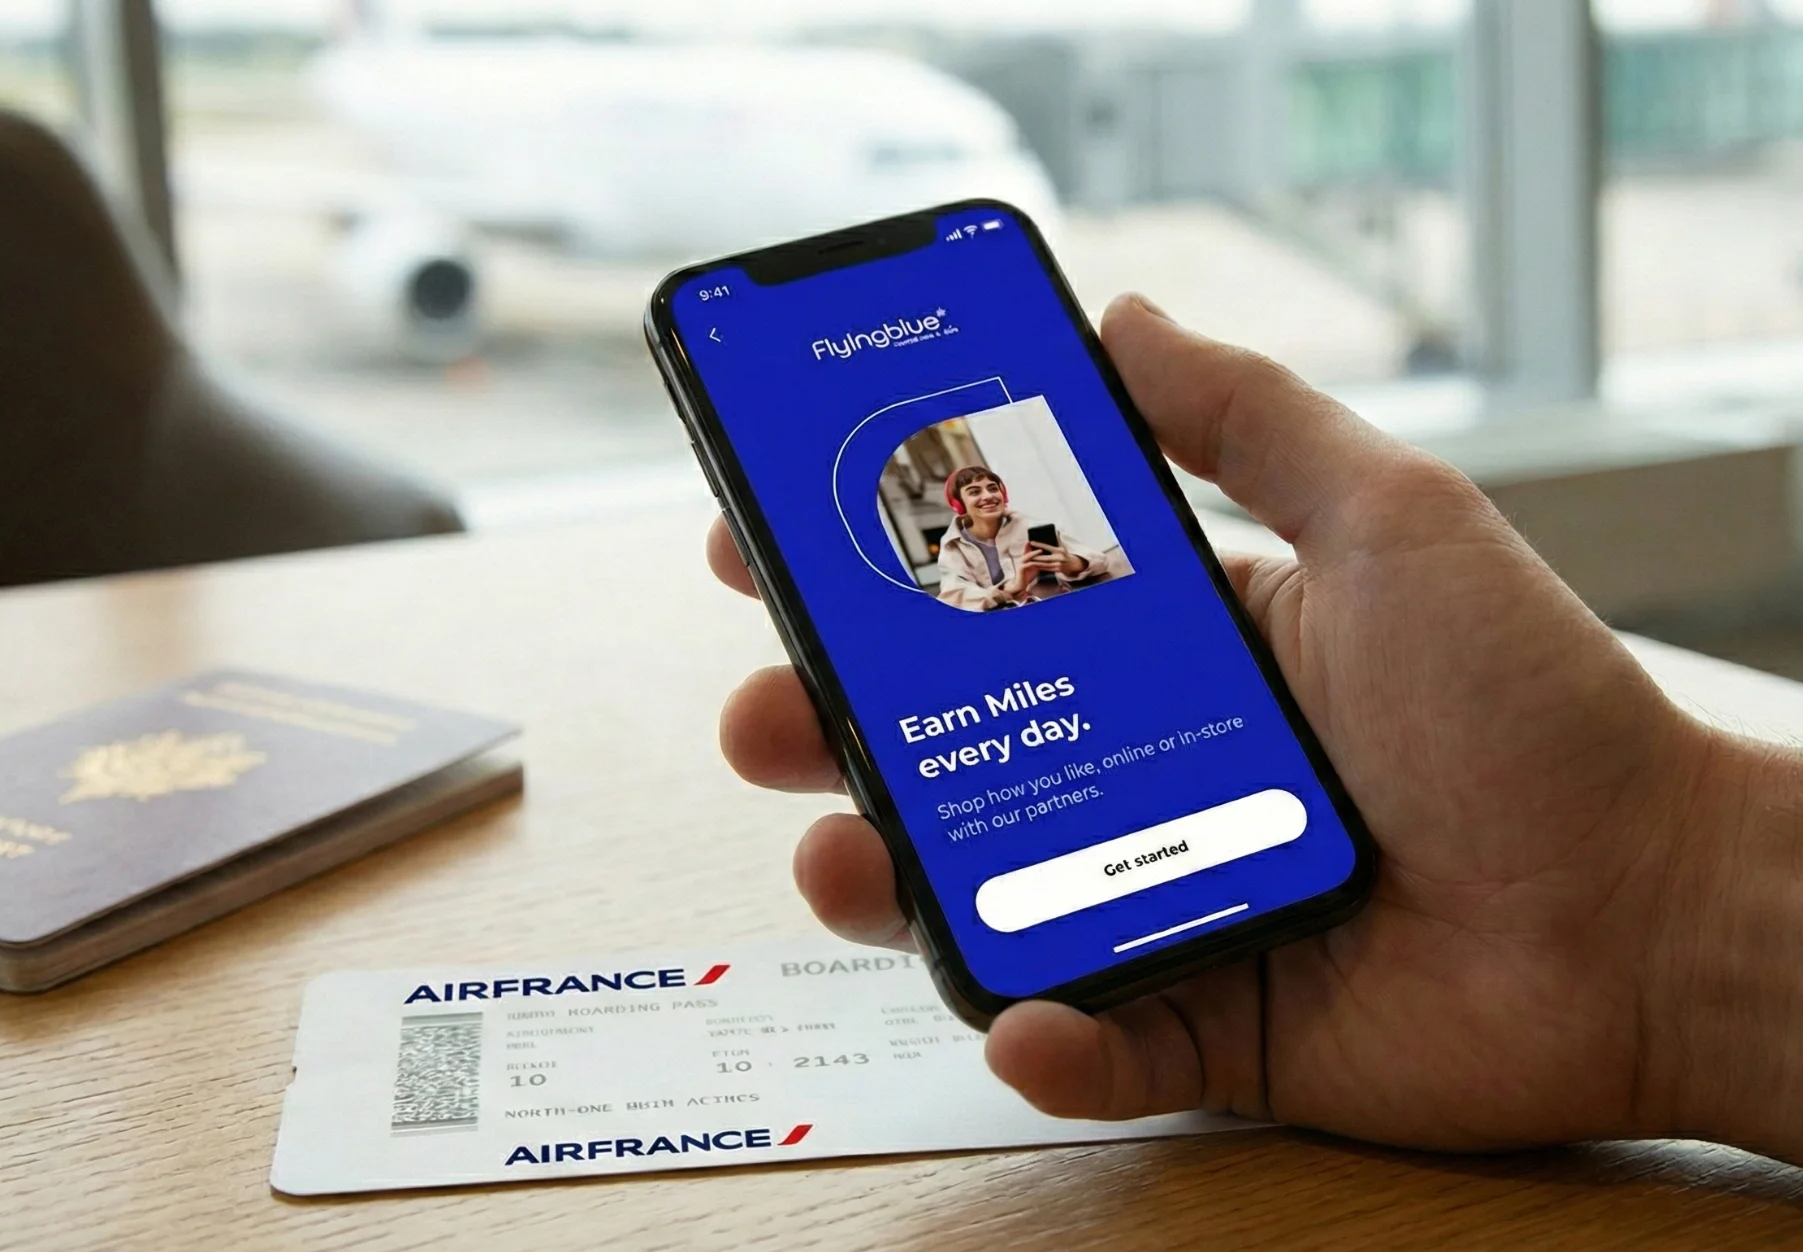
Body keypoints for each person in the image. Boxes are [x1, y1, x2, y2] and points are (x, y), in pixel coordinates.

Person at [706, 293, 1803, 1165]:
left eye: (999, 489)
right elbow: (962, 613)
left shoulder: (1044, 531)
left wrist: (1662, 896)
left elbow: (1089, 577)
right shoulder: (949, 558)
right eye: (979, 496)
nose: (992, 505)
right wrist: (1662, 933)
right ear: (960, 508)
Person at [935, 465, 1109, 611]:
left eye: (993, 488)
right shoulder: (952, 545)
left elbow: (1100, 561)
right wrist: (1011, 589)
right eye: (974, 492)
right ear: (958, 504)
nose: (988, 496)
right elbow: (953, 597)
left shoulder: (1031, 527)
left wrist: (1071, 564)